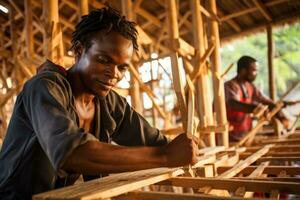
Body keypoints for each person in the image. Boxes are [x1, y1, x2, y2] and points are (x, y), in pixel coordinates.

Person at [0, 7, 199, 199]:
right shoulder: (44, 88)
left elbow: (154, 142)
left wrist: (185, 149)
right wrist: (164, 156)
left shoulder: (109, 103)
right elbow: (72, 154)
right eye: (104, 60)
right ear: (79, 50)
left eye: (122, 67)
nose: (114, 74)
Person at [224, 55, 290, 142]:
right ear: (243, 71)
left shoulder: (250, 86)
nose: (257, 73)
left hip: (245, 136)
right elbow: (233, 103)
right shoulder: (230, 85)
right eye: (254, 70)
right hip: (228, 137)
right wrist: (256, 109)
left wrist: (282, 117)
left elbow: (266, 101)